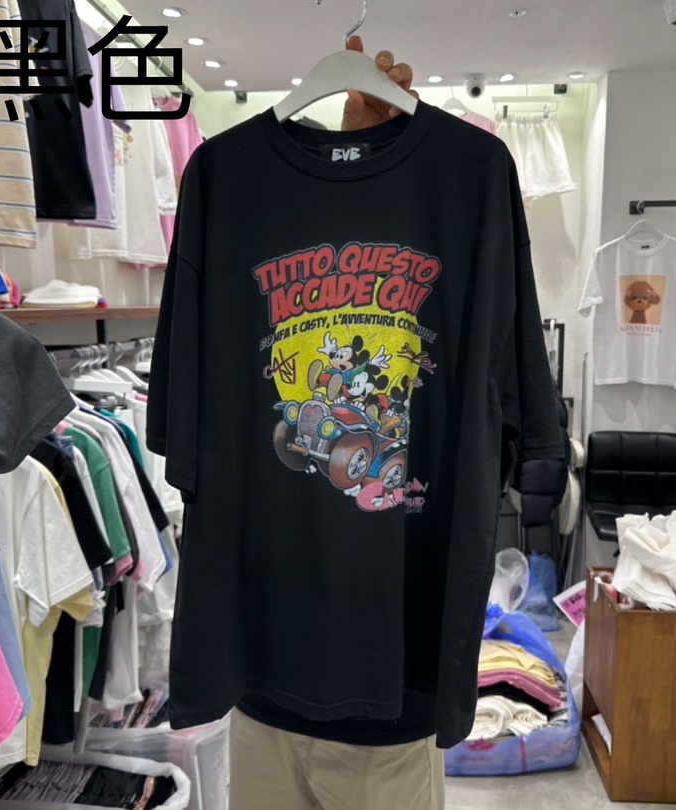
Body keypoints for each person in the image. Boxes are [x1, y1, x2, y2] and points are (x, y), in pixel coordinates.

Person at [228, 38, 445, 810]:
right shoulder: (226, 181)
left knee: (373, 413)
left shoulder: (468, 178)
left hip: (395, 685)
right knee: (331, 405)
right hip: (262, 679)